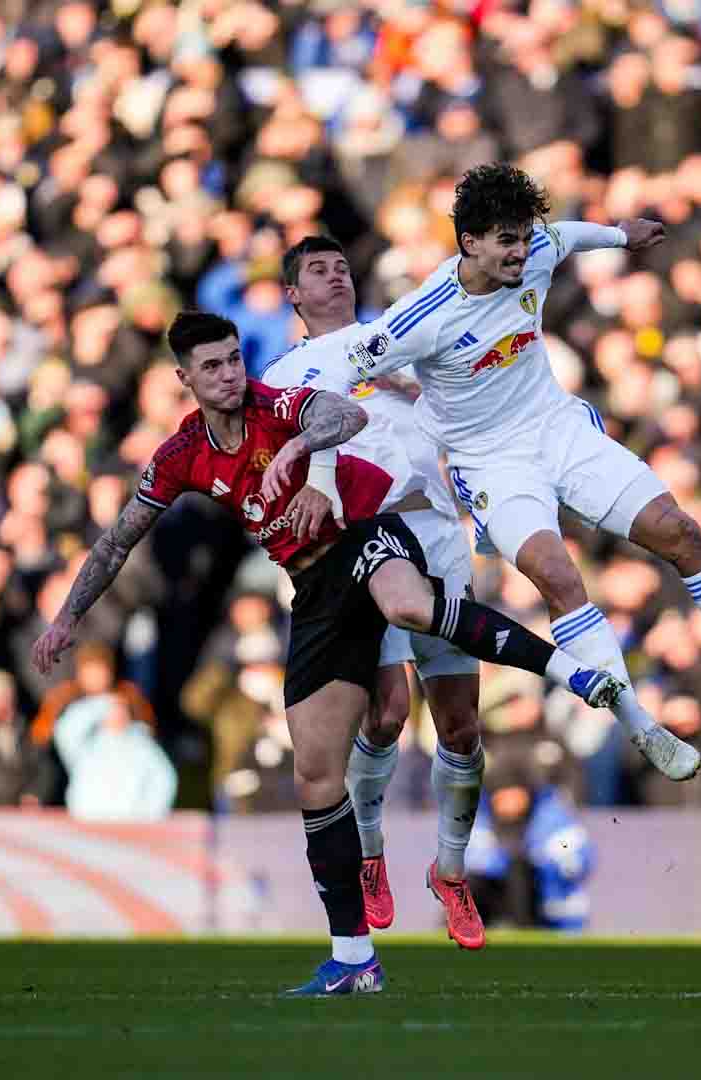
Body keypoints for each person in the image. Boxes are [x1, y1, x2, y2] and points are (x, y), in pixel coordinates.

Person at [30, 312, 628, 993]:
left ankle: (566, 667)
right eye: (213, 366)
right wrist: (65, 618)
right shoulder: (182, 454)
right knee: (316, 775)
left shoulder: (275, 401)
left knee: (407, 608)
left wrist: (300, 453)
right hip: (313, 590)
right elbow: (117, 541)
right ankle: (354, 961)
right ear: (184, 379)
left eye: (233, 359)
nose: (229, 374)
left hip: (367, 534)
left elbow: (343, 414)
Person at [322, 164, 701, 781]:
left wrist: (621, 236)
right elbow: (348, 365)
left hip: (560, 430)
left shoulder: (536, 253)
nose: (522, 252)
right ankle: (641, 724)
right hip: (491, 463)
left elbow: (568, 236)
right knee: (555, 573)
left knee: (679, 531)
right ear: (468, 243)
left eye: (525, 237)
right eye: (507, 242)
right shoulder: (420, 317)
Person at [260, 235, 484, 945]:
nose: (336, 277)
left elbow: (465, 404)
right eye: (317, 271)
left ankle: (450, 873)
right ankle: (370, 854)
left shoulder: (397, 340)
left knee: (462, 726)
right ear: (293, 295)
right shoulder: (284, 376)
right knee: (385, 715)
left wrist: (414, 388)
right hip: (368, 539)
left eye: (342, 268)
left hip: (439, 530)